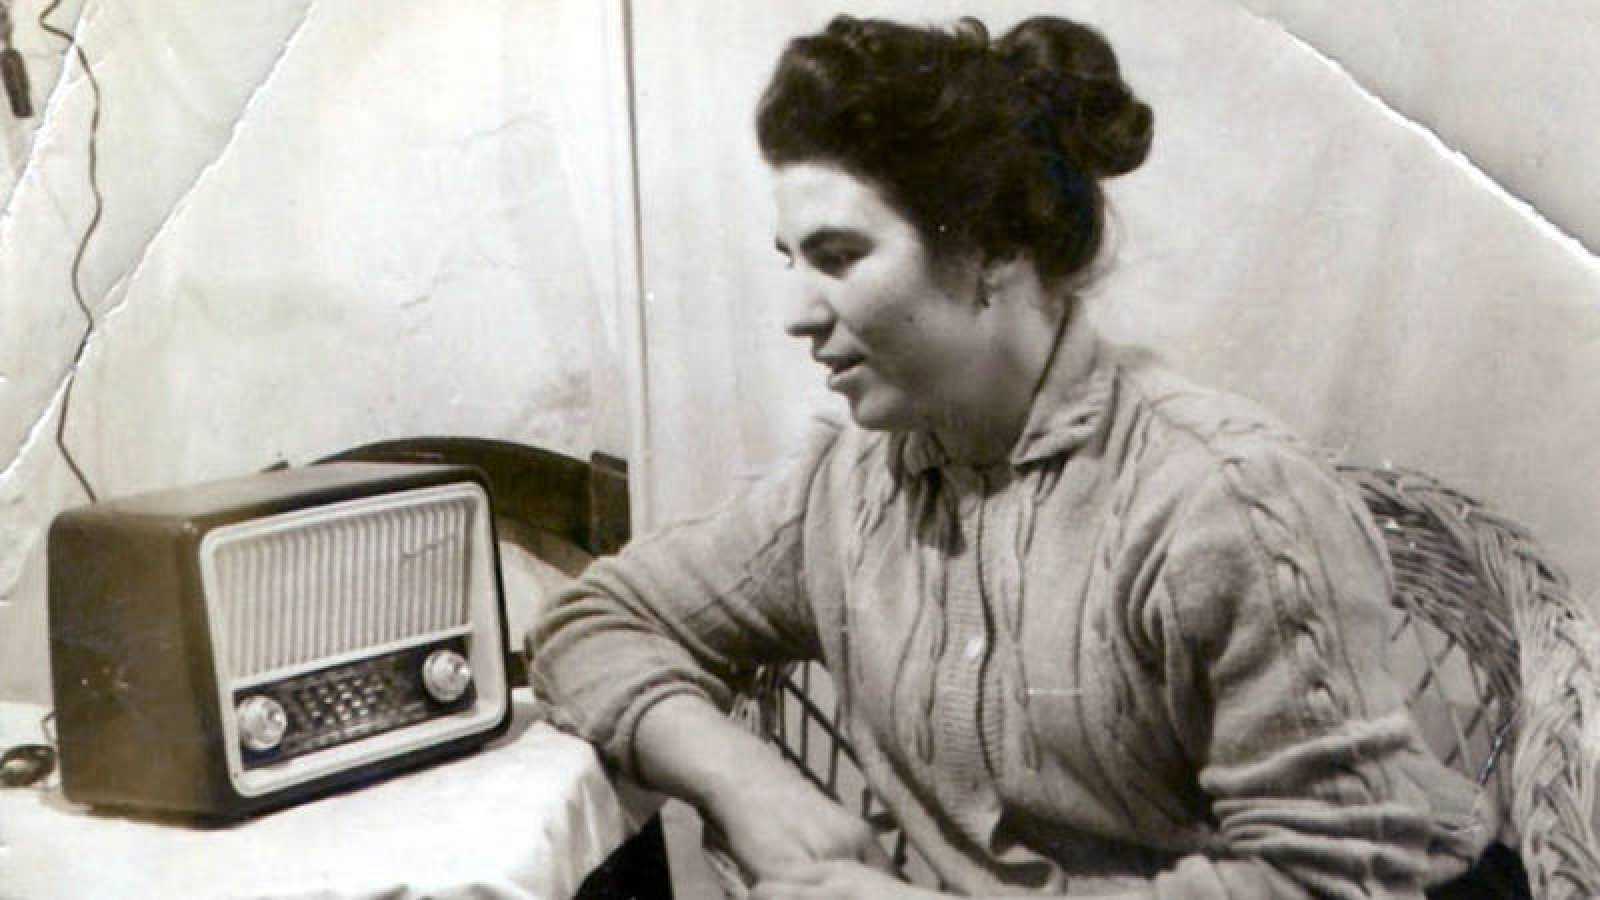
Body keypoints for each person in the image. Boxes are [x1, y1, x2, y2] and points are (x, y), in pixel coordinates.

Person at [533, 14, 1491, 899]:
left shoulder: (1224, 503)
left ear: (989, 248)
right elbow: (594, 620)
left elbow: (1335, 884)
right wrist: (744, 781)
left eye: (839, 256)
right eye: (792, 260)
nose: (795, 313)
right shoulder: (847, 491)